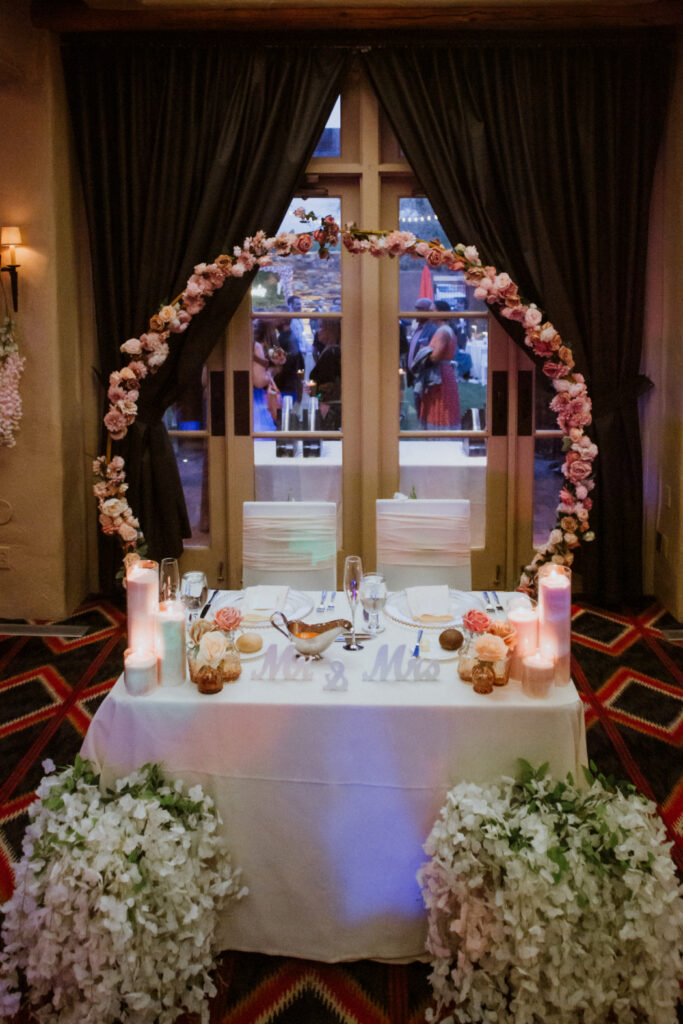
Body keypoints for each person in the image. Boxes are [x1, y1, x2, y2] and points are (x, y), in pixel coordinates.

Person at [410, 299, 461, 429]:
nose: (429, 313)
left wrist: (424, 350)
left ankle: (438, 435)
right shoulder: (445, 330)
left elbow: (435, 356)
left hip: (440, 375)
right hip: (444, 373)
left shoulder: (442, 332)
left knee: (440, 406)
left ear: (440, 313)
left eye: (432, 310)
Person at [308, 319, 341, 429]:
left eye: (321, 327)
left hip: (329, 411)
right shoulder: (330, 351)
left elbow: (328, 388)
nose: (318, 331)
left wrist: (316, 393)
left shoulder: (332, 353)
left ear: (331, 330)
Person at [252, 320, 280, 430]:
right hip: (258, 398)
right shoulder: (257, 347)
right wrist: (270, 372)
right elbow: (260, 381)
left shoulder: (251, 345)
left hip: (253, 396)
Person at [406, 298, 437, 387]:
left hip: (425, 377)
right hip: (414, 376)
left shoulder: (433, 329)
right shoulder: (418, 328)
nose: (416, 312)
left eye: (420, 309)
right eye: (416, 309)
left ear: (428, 311)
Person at [274, 319, 305, 403]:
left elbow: (283, 365)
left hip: (286, 387)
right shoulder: (290, 337)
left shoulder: (285, 339)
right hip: (291, 386)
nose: (274, 321)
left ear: (283, 321)